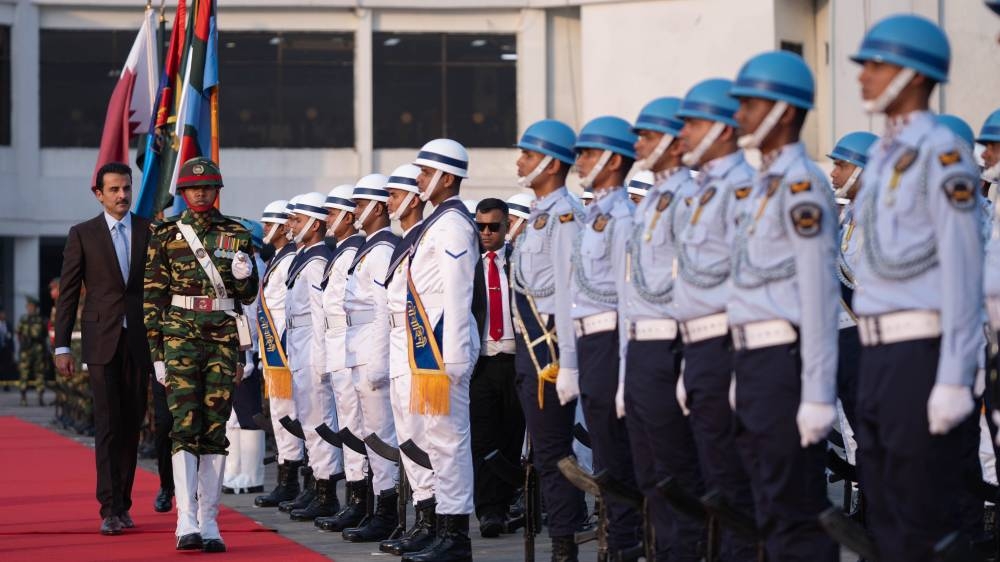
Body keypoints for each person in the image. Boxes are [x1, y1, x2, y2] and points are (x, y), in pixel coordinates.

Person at [850, 15, 983, 560]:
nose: (864, 77)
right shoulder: (884, 158)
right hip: (876, 352)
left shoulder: (943, 156)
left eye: (876, 65)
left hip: (920, 353)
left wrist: (956, 375)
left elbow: (965, 270)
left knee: (919, 514)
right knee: (883, 512)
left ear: (913, 75)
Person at [727, 50, 840, 560]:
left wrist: (817, 391)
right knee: (766, 500)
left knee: (794, 505)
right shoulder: (759, 188)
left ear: (785, 112)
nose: (741, 116)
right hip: (753, 361)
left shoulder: (802, 185)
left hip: (784, 360)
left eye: (751, 104)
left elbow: (818, 291)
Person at [144, 156, 259, 552]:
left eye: (207, 187)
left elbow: (246, 298)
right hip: (180, 339)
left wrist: (246, 277)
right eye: (193, 188)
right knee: (183, 426)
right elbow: (153, 299)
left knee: (214, 429)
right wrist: (158, 355)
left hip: (223, 339)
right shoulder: (165, 233)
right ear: (183, 192)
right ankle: (185, 520)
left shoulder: (237, 233)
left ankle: (210, 520)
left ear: (217, 190)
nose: (200, 192)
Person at [673, 78, 758, 561]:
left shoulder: (743, 189)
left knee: (732, 480)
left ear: (724, 129)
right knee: (712, 479)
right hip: (699, 347)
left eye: (694, 123)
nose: (683, 133)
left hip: (729, 345)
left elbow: (745, 281)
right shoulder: (702, 192)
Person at [619, 96, 704, 561]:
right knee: (648, 470)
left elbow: (692, 286)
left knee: (677, 470)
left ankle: (683, 552)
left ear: (674, 143)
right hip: (642, 349)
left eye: (647, 135)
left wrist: (688, 364)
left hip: (673, 346)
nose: (639, 144)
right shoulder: (650, 201)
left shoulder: (690, 199)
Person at [54, 161, 152, 536]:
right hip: (101, 340)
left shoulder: (149, 230)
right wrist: (62, 345)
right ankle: (109, 507)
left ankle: (124, 503)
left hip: (139, 341)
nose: (122, 195)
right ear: (99, 194)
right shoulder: (83, 234)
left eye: (126, 188)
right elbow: (67, 294)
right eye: (114, 189)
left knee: (132, 424)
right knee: (108, 424)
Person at [509, 119, 587, 561]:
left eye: (528, 153)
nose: (519, 161)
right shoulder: (538, 217)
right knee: (544, 454)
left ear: (552, 163)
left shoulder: (565, 218)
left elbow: (571, 292)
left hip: (551, 356)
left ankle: (564, 544)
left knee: (555, 454)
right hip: (529, 354)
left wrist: (570, 362)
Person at [400, 138, 480, 562]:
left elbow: (456, 292)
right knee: (436, 440)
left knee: (449, 443)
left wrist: (453, 357)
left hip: (445, 352)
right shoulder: (438, 222)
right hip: (429, 351)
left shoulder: (452, 225)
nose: (418, 179)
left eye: (425, 172)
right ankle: (442, 525)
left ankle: (456, 535)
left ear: (446, 178)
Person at [569, 115, 643, 558]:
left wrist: (623, 370)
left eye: (588, 153)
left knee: (617, 452)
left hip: (612, 342)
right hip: (590, 343)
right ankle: (616, 532)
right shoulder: (595, 213)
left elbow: (629, 298)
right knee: (602, 451)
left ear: (613, 160)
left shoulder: (623, 218)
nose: (579, 162)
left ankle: (625, 540)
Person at [379, 163, 438, 556]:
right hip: (399, 346)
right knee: (407, 438)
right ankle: (422, 517)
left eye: (396, 196)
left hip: (420, 349)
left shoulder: (426, 237)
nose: (390, 203)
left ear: (414, 200)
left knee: (425, 437)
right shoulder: (406, 239)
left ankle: (434, 521)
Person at [341, 174, 402, 542]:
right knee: (369, 436)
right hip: (357, 351)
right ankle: (378, 506)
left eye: (361, 205)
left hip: (371, 356)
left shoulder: (380, 250)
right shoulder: (370, 247)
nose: (355, 212)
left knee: (382, 436)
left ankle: (388, 510)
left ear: (378, 207)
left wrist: (379, 362)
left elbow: (383, 310)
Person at [283, 191, 343, 523]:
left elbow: (322, 314)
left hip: (312, 345)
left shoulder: (318, 259)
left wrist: (321, 360)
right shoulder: (305, 256)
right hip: (299, 342)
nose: (291, 226)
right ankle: (316, 484)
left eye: (297, 220)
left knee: (320, 418)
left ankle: (326, 491)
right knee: (308, 419)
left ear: (315, 224)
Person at [315, 184, 369, 533]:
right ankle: (355, 497)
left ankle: (363, 500)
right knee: (348, 424)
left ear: (350, 217)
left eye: (332, 213)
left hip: (352, 345)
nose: (328, 220)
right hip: (336, 343)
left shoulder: (358, 252)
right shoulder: (342, 252)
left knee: (358, 426)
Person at [470, 197, 524, 537]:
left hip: (516, 361)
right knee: (484, 438)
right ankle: (489, 510)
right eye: (481, 227)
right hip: (482, 362)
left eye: (494, 227)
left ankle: (507, 504)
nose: (486, 233)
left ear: (507, 227)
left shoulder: (519, 262)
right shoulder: (468, 265)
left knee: (512, 436)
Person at [253, 199, 305, 508]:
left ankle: (291, 481)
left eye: (269, 225)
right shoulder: (278, 258)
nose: (264, 230)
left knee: (289, 414)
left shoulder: (289, 260)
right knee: (280, 414)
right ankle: (287, 478)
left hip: (283, 349)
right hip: (273, 349)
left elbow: (287, 310)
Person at [827, 131, 878, 440]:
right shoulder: (849, 217)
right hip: (844, 335)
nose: (833, 173)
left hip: (867, 337)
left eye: (841, 166)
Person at [223, 219, 268, 495]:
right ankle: (235, 471)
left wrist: (246, 353)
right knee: (233, 418)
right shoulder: (244, 267)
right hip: (238, 349)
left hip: (247, 350)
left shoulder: (254, 268)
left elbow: (250, 316)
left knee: (248, 415)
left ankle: (252, 476)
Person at [17, 296, 47, 406]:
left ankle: (40, 397)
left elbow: (44, 334)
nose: (29, 308)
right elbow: (18, 333)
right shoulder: (23, 319)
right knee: (24, 374)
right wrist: (22, 344)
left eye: (31, 306)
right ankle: (23, 398)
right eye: (28, 306)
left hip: (38, 349)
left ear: (35, 307)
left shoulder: (41, 319)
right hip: (26, 349)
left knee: (39, 373)